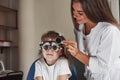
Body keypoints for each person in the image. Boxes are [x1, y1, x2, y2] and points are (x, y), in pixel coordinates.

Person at [62, 0, 120, 80]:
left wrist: (77, 53)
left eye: (80, 13)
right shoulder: (80, 28)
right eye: (73, 10)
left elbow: (103, 68)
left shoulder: (109, 31)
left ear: (93, 11)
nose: (75, 16)